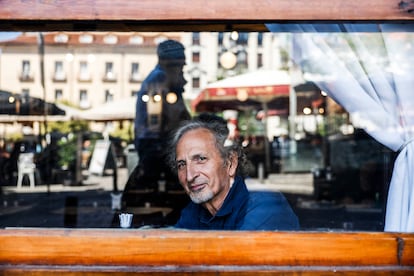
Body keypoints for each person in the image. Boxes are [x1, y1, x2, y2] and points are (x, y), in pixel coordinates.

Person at [166, 114, 299, 230]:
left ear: (230, 163)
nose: (189, 176)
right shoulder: (194, 211)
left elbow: (236, 256)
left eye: (201, 159)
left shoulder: (265, 205)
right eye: (182, 164)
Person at [132, 39, 191, 189]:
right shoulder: (159, 80)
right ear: (171, 64)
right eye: (180, 66)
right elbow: (171, 118)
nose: (182, 71)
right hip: (155, 145)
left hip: (155, 144)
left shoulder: (163, 80)